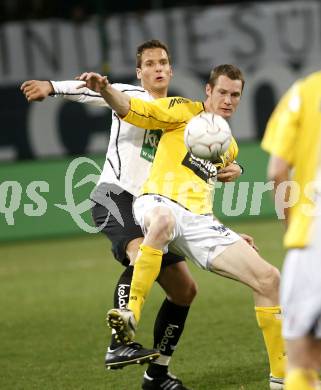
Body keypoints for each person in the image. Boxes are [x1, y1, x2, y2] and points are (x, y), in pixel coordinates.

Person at [21, 40, 241, 390]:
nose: (157, 68)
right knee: (140, 254)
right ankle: (119, 341)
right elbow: (89, 91)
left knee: (184, 291)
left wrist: (232, 168)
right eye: (150, 63)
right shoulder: (127, 93)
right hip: (116, 197)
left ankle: (157, 375)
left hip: (154, 207)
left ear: (170, 70)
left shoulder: (181, 113)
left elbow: (201, 156)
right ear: (140, 72)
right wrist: (51, 87)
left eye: (163, 62)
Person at [78, 64, 286, 390]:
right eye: (222, 92)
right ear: (208, 91)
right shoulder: (180, 110)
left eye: (235, 95)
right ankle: (130, 314)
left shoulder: (226, 146)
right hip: (156, 203)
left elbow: (199, 192)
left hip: (199, 219)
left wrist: (226, 230)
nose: (228, 100)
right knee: (162, 221)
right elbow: (134, 108)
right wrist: (104, 89)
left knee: (269, 278)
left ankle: (282, 379)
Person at [262, 71, 321, 390]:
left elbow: (276, 171)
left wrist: (290, 225)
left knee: (301, 364)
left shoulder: (304, 93)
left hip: (313, 235)